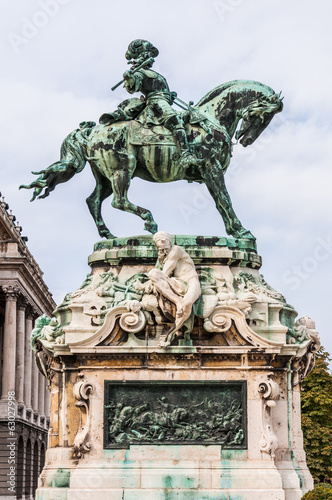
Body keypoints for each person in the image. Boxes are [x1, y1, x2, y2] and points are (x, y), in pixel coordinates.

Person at [99, 39, 201, 168]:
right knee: (175, 121)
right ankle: (186, 155)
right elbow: (133, 87)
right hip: (156, 104)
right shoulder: (139, 73)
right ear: (143, 55)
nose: (152, 58)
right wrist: (129, 78)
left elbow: (159, 88)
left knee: (187, 116)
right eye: (149, 54)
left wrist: (169, 95)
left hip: (163, 101)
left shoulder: (152, 73)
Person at [148, 231, 201, 345]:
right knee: (153, 274)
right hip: (176, 283)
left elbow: (166, 270)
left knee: (187, 304)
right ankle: (178, 301)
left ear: (168, 241)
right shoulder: (163, 255)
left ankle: (172, 332)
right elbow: (159, 274)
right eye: (159, 247)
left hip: (190, 282)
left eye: (163, 245)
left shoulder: (176, 250)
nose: (162, 250)